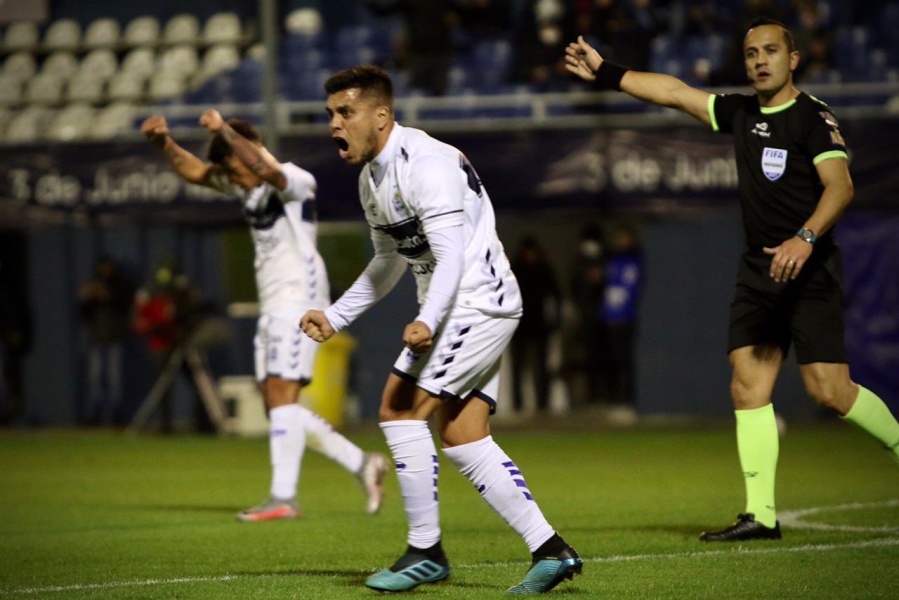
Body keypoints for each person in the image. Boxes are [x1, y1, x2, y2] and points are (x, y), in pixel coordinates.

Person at [565, 18, 899, 542]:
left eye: (770, 51)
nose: (759, 60)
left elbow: (841, 186)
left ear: (793, 59)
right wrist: (606, 71)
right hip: (758, 269)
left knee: (830, 391)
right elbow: (675, 93)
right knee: (747, 384)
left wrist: (804, 238)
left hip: (809, 268)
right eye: (750, 53)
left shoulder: (813, 117)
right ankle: (761, 516)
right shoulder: (741, 112)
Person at [300, 65, 582, 594]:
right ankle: (552, 551)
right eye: (330, 114)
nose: (334, 124)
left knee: (398, 409)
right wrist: (336, 315)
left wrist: (428, 318)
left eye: (346, 112)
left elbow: (451, 254)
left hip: (474, 304)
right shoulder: (372, 179)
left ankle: (425, 551)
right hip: (464, 307)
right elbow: (389, 260)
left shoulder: (425, 163)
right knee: (462, 434)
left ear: (381, 116)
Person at [141, 110, 388, 520]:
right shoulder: (249, 185)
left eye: (236, 169)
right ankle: (362, 464)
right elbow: (198, 174)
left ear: (250, 152)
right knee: (277, 404)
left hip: (299, 299)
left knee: (281, 396)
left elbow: (263, 168)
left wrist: (223, 130)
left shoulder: (293, 180)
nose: (233, 179)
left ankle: (284, 497)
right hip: (274, 303)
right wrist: (164, 145)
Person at [77, 256, 136, 425]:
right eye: (103, 267)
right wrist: (88, 297)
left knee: (114, 378)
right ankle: (95, 414)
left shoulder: (120, 285)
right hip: (96, 338)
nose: (105, 270)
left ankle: (115, 414)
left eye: (108, 267)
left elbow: (125, 305)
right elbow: (83, 314)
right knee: (95, 379)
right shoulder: (92, 284)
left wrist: (106, 295)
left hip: (114, 337)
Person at [509, 235, 561, 414]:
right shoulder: (514, 271)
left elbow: (556, 296)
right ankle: (518, 404)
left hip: (540, 327)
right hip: (519, 327)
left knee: (542, 368)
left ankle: (543, 404)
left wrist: (555, 322)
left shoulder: (544, 270)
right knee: (518, 367)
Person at [600, 221, 643, 425]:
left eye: (624, 238)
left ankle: (628, 403)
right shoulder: (612, 260)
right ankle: (615, 401)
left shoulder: (635, 260)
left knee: (626, 360)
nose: (621, 242)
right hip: (610, 318)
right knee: (612, 361)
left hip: (626, 318)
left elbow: (631, 288)